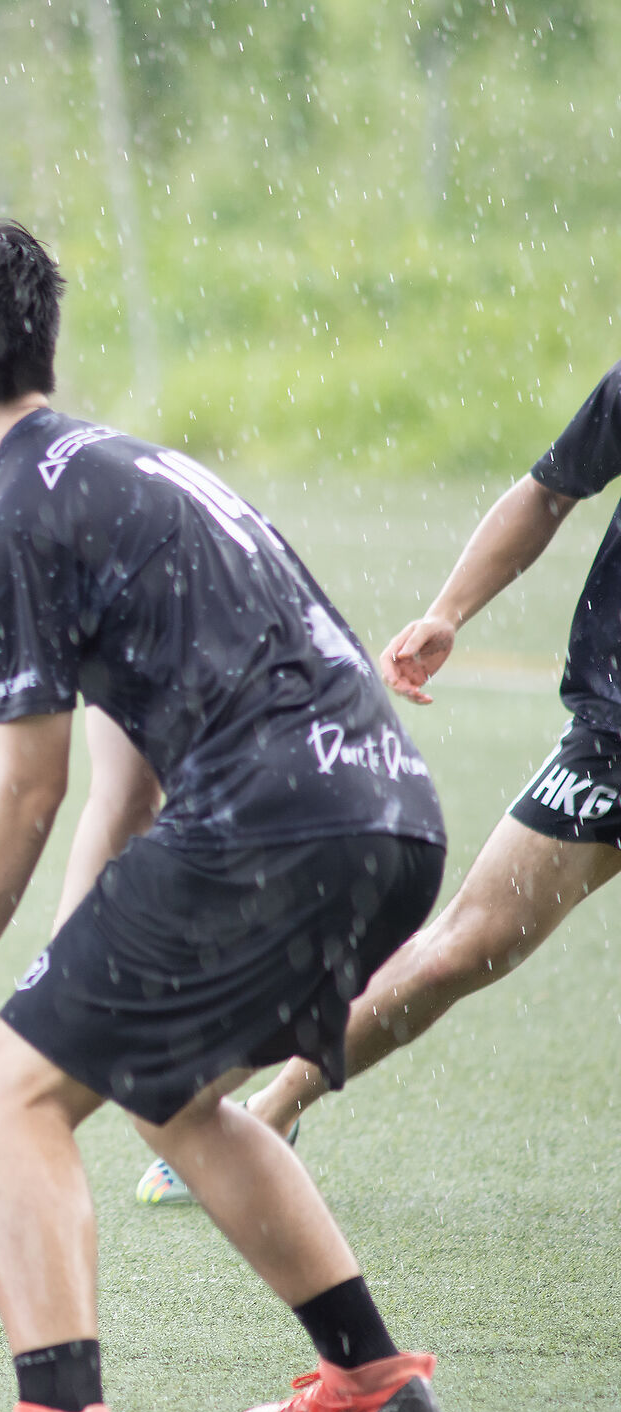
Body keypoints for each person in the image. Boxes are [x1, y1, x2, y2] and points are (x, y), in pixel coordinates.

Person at [0, 219, 450, 1412]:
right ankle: (370, 1373)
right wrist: (67, 976)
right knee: (164, 1093)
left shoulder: (14, 516)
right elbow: (124, 760)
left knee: (4, 1101)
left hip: (275, 818)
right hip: (390, 816)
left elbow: (28, 784)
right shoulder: (121, 470)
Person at [135, 363, 621, 1204]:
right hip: (615, 742)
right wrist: (449, 609)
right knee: (462, 948)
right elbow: (549, 492)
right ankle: (269, 1109)